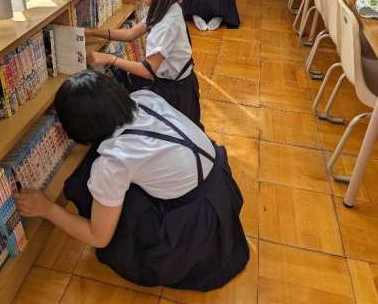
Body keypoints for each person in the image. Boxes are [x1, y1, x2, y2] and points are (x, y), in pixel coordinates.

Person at [15, 72, 250, 291]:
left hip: (196, 226)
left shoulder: (113, 162)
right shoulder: (144, 98)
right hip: (220, 187)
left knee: (118, 230)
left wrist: (47, 209)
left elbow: (98, 237)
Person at [85, 0, 201, 126]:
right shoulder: (165, 7)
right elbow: (131, 34)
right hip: (170, 83)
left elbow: (147, 70)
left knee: (177, 129)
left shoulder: (167, 25)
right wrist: (94, 32)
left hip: (176, 92)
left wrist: (110, 59)